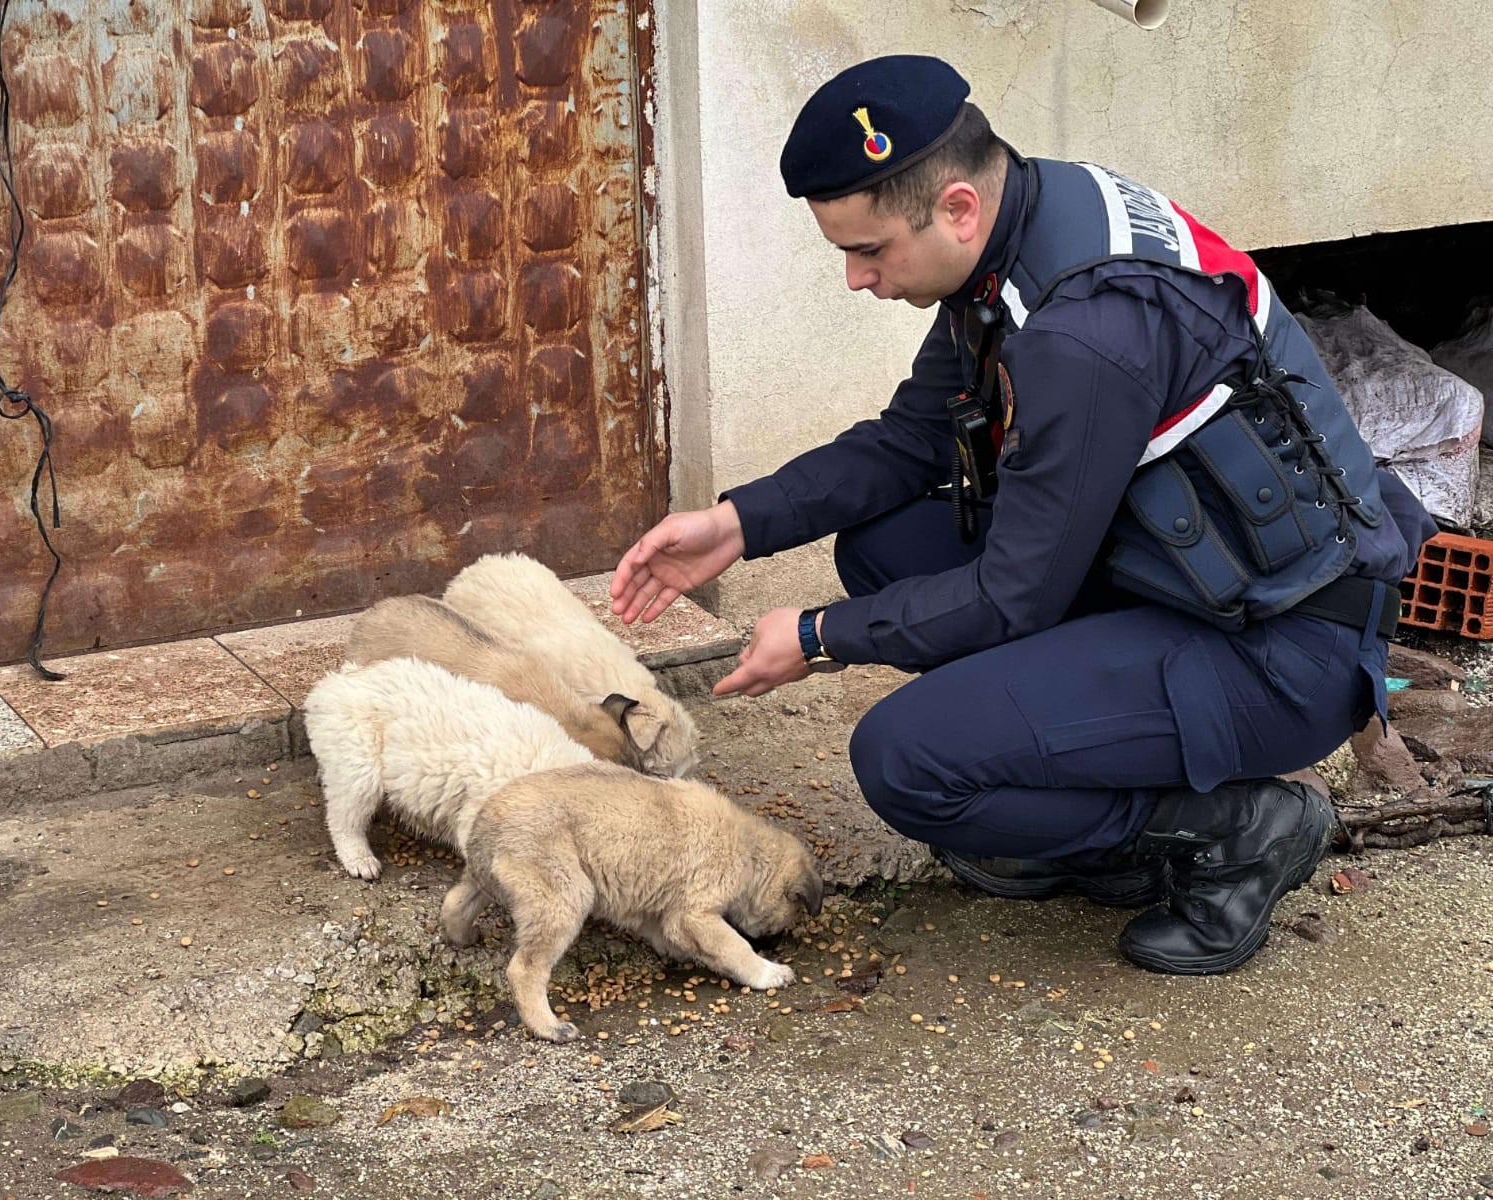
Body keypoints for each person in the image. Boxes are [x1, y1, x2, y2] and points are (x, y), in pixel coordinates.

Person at [609, 56, 1435, 976]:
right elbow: (913, 438)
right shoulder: (1027, 222)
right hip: (1184, 578)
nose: (854, 277)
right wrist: (738, 523)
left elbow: (1015, 596)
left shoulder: (1082, 331)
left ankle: (1237, 827)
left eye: (870, 250)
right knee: (888, 548)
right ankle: (1066, 769)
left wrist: (815, 636)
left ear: (956, 207)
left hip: (1279, 651)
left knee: (906, 762)